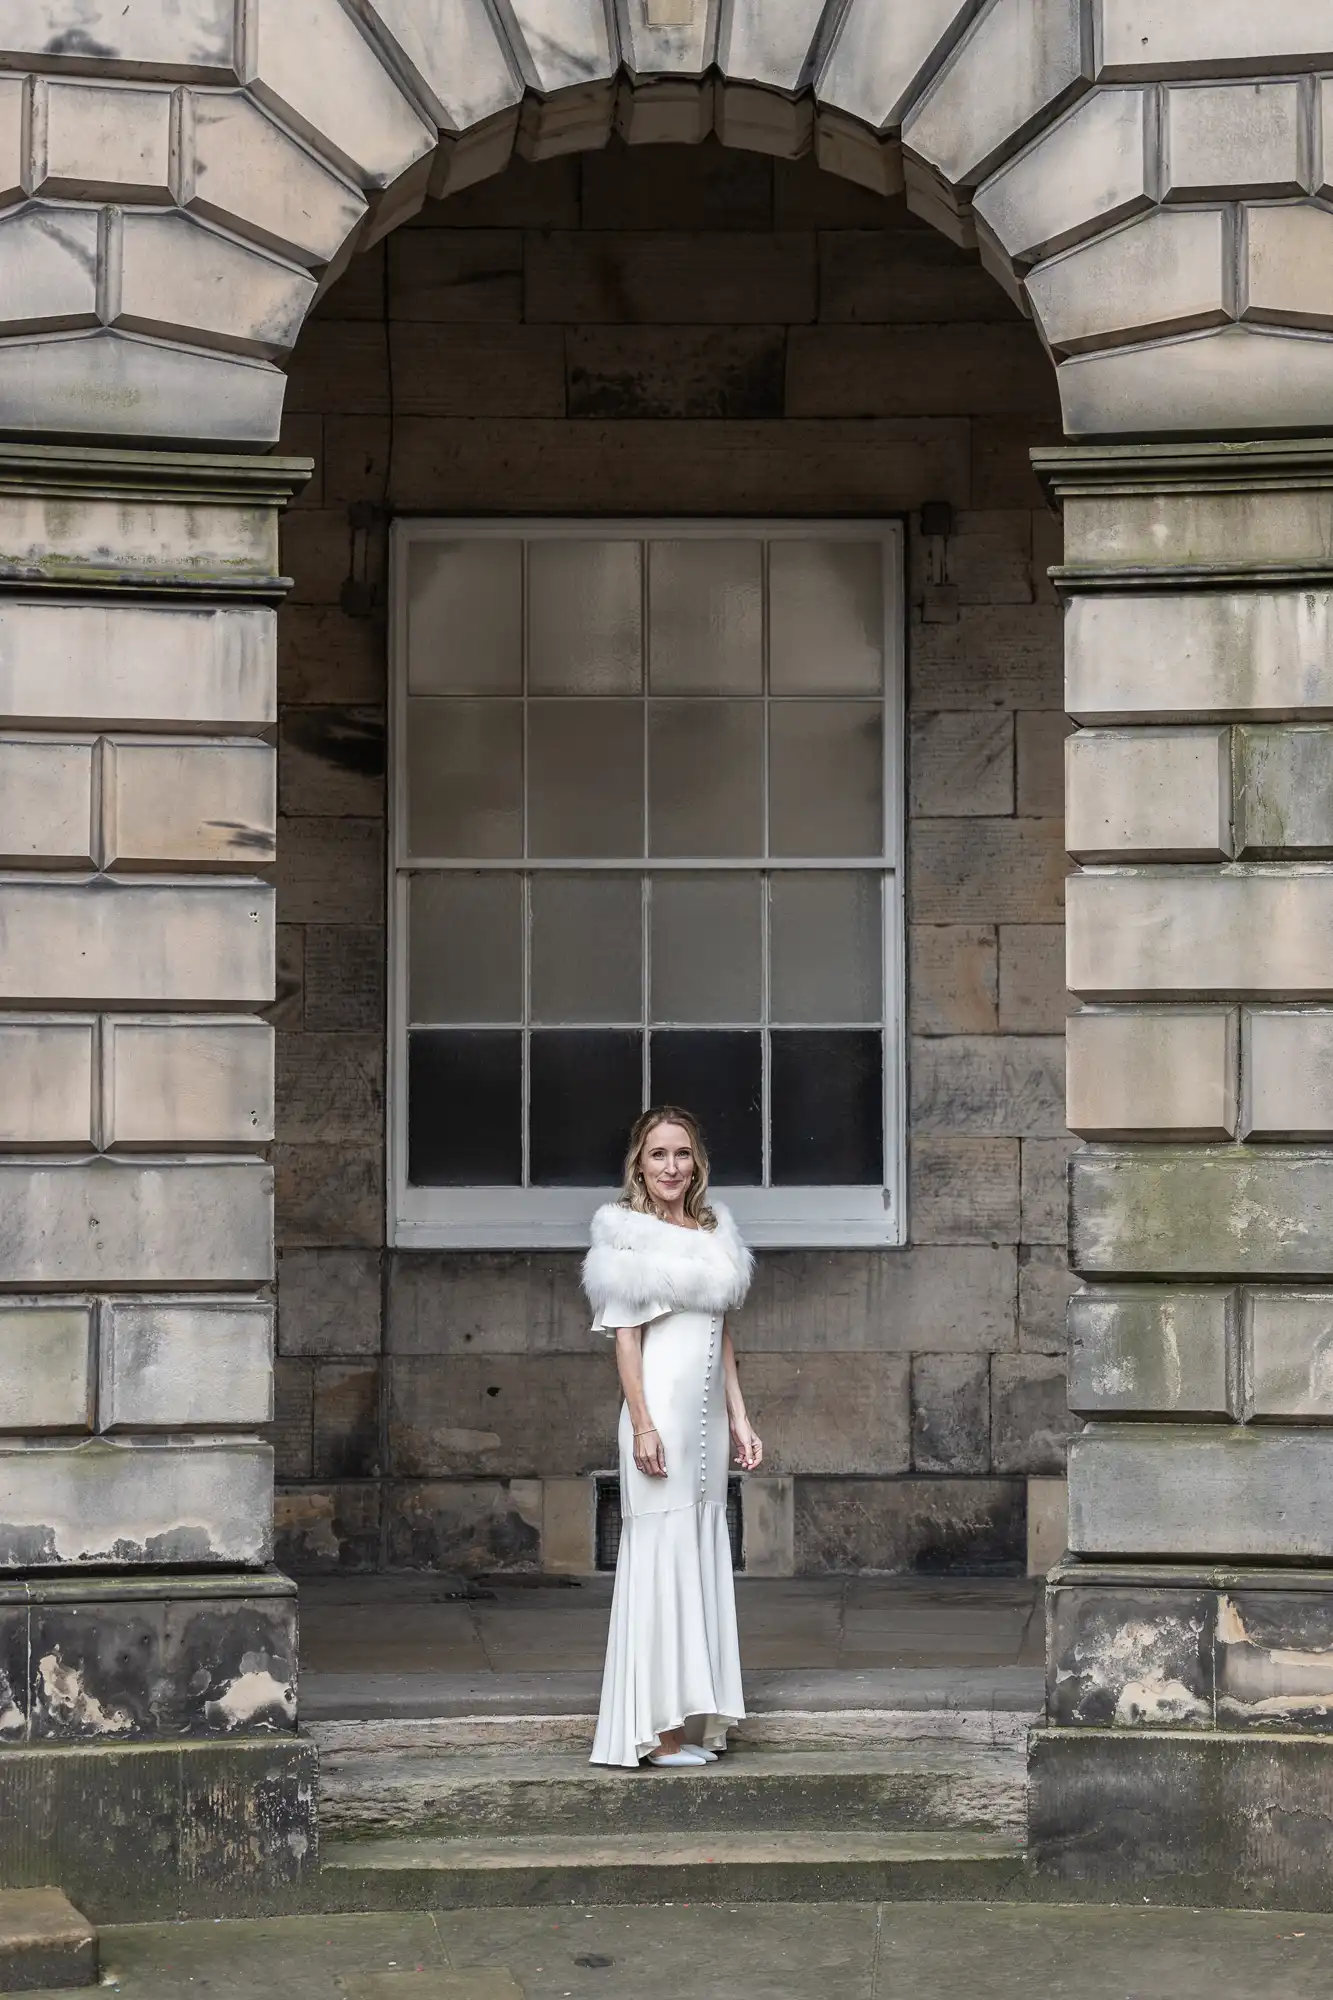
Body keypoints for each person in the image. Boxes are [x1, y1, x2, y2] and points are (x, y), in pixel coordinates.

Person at [583, 1105, 763, 1769]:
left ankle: (688, 1722)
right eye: (657, 1154)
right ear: (639, 1162)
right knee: (659, 1563)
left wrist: (740, 1418)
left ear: (696, 1161)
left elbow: (723, 1340)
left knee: (696, 1555)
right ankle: (653, 1736)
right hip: (658, 1420)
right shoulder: (626, 1236)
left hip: (708, 1427)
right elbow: (626, 1341)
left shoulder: (714, 1231)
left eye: (681, 1153)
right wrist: (644, 1423)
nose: (669, 1167)